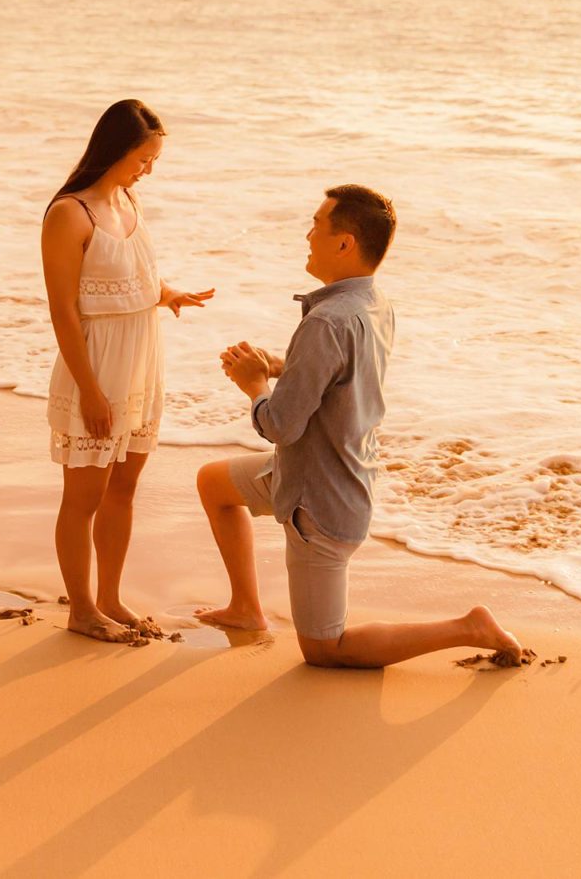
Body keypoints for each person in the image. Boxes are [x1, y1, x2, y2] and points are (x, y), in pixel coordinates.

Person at [195, 185, 523, 668]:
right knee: (213, 483)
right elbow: (340, 376)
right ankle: (246, 608)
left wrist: (254, 385)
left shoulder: (326, 320)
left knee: (326, 649)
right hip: (318, 471)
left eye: (316, 225)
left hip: (320, 505)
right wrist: (281, 365)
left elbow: (280, 425)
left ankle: (467, 627)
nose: (307, 235)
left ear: (344, 242)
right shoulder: (373, 303)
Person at [42, 99, 214, 644]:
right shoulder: (70, 213)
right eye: (143, 159)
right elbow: (65, 310)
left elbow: (128, 277)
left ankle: (111, 596)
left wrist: (168, 295)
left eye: (154, 161)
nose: (149, 170)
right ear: (115, 150)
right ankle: (82, 609)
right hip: (95, 368)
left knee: (124, 490)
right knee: (84, 497)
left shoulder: (128, 201)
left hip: (142, 364)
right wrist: (90, 391)